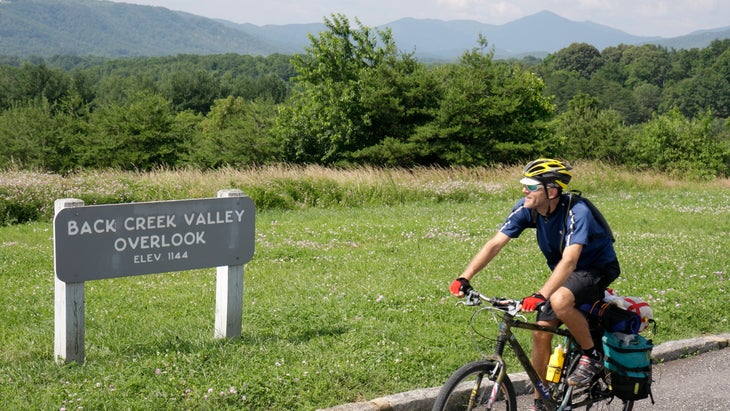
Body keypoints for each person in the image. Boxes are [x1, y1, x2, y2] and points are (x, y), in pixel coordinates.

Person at [449, 158, 620, 410]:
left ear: (551, 191)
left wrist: (541, 294)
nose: (523, 191)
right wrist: (465, 277)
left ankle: (591, 355)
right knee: (541, 330)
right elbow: (495, 243)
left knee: (560, 300)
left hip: (595, 268)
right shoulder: (528, 208)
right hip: (567, 273)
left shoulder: (577, 211)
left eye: (530, 186)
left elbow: (571, 260)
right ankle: (542, 400)